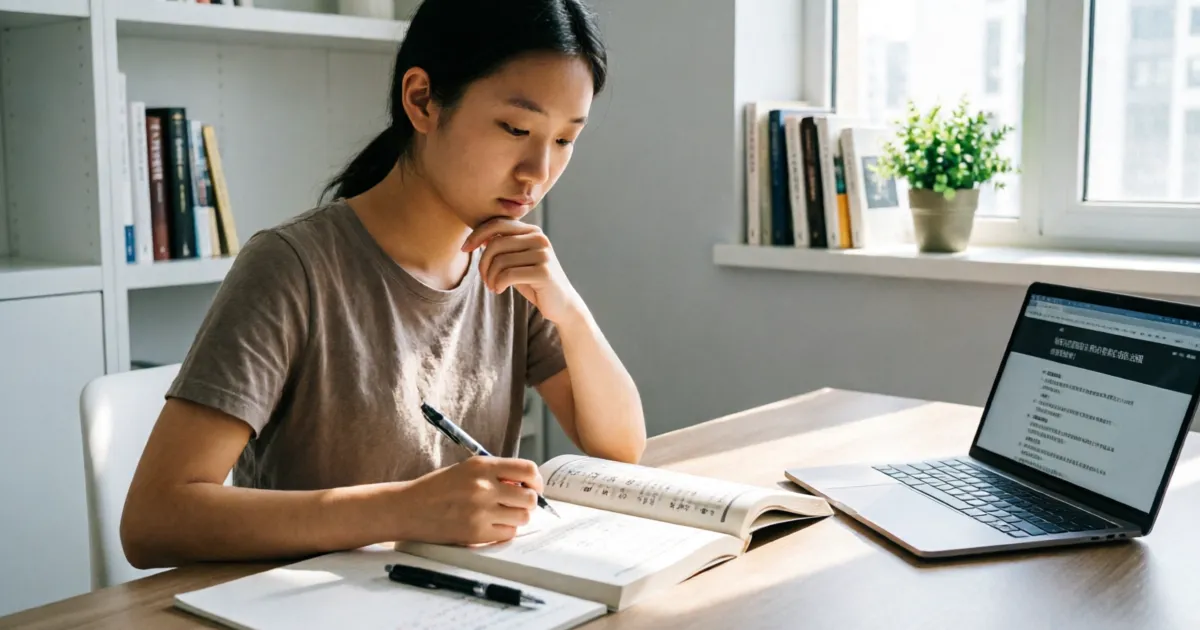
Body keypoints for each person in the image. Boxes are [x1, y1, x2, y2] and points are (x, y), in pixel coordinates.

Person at [119, 0, 645, 570]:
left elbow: (620, 447)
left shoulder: (512, 268)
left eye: (565, 139)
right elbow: (153, 521)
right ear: (421, 100)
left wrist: (570, 312)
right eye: (515, 128)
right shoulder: (293, 266)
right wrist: (404, 510)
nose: (538, 172)